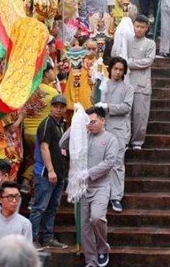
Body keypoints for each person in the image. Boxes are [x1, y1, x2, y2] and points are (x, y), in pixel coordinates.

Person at [61, 106, 118, 267]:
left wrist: (89, 172)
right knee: (83, 224)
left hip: (100, 185)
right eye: (88, 122)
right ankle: (90, 260)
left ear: (102, 120)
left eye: (93, 122)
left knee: (96, 217)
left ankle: (102, 248)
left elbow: (109, 162)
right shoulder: (83, 135)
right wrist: (76, 124)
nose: (91, 125)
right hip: (82, 187)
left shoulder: (111, 139)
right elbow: (62, 143)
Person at [93, 56, 134, 213]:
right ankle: (99, 193)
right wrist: (95, 86)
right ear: (110, 68)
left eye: (120, 70)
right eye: (115, 69)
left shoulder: (127, 88)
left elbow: (126, 107)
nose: (117, 72)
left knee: (117, 162)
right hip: (102, 127)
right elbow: (94, 100)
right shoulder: (104, 83)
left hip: (119, 128)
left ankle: (116, 196)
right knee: (99, 160)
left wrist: (108, 106)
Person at [29, 94, 68, 249]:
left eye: (61, 107)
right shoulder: (46, 124)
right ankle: (33, 238)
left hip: (59, 173)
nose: (58, 110)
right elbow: (44, 147)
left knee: (52, 207)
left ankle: (48, 237)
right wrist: (50, 170)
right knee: (40, 207)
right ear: (51, 107)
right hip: (45, 173)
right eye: (56, 106)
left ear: (65, 109)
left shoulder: (61, 124)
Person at [126, 15, 156, 150]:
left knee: (140, 114)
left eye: (142, 27)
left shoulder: (150, 43)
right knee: (125, 114)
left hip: (142, 83)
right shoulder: (127, 41)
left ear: (147, 28)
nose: (139, 29)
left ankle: (138, 141)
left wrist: (130, 63)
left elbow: (148, 61)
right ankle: (125, 140)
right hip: (127, 81)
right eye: (137, 26)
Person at [0, 181, 32, 256]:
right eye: (10, 197)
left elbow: (27, 253)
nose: (14, 201)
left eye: (17, 197)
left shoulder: (25, 224)